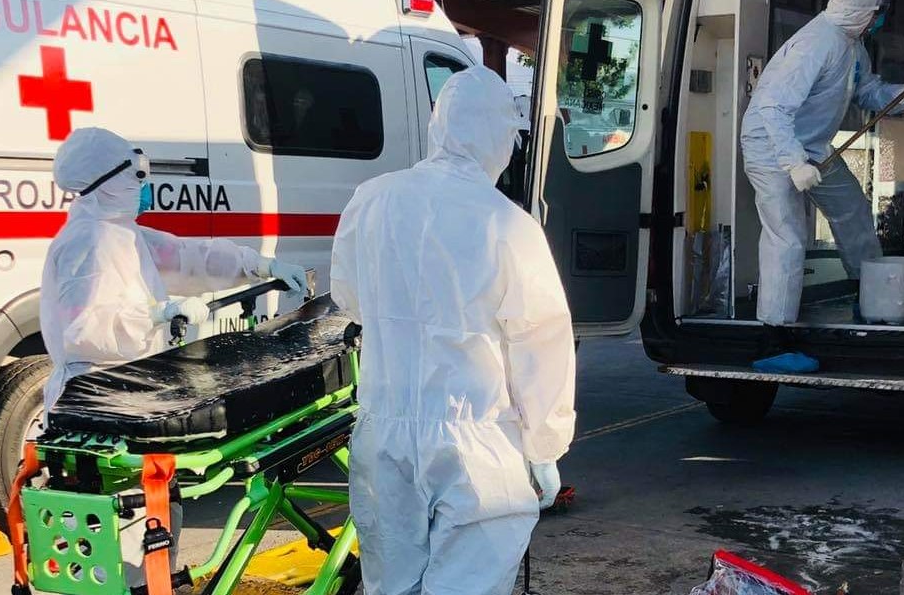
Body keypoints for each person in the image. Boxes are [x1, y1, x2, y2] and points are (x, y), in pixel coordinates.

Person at [331, 65, 576, 595]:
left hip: (383, 436)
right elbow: (542, 344)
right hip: (474, 445)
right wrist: (544, 445)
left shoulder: (370, 200)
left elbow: (349, 300)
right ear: (496, 136)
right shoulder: (508, 224)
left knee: (391, 585)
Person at [41, 126, 309, 413]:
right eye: (137, 176)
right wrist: (158, 314)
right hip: (93, 395)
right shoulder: (85, 243)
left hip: (124, 387)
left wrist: (261, 265)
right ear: (108, 183)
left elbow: (189, 259)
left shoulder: (123, 234)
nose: (145, 186)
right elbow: (86, 331)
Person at [739, 0, 904, 326]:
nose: (879, 19)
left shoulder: (852, 46)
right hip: (772, 146)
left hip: (814, 147)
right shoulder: (815, 43)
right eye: (877, 12)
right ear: (860, 11)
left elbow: (867, 92)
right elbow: (773, 106)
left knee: (852, 210)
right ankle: (775, 331)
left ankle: (869, 296)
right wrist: (794, 163)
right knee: (788, 236)